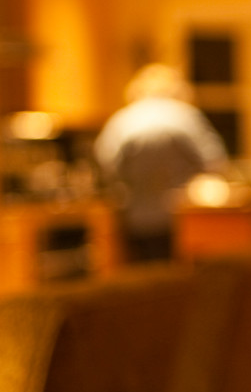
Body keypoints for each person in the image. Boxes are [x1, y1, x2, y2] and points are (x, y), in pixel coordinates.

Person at [95, 64, 227, 262]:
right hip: (181, 219)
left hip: (134, 219)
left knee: (144, 281)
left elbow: (104, 165)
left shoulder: (121, 120)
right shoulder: (185, 116)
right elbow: (215, 162)